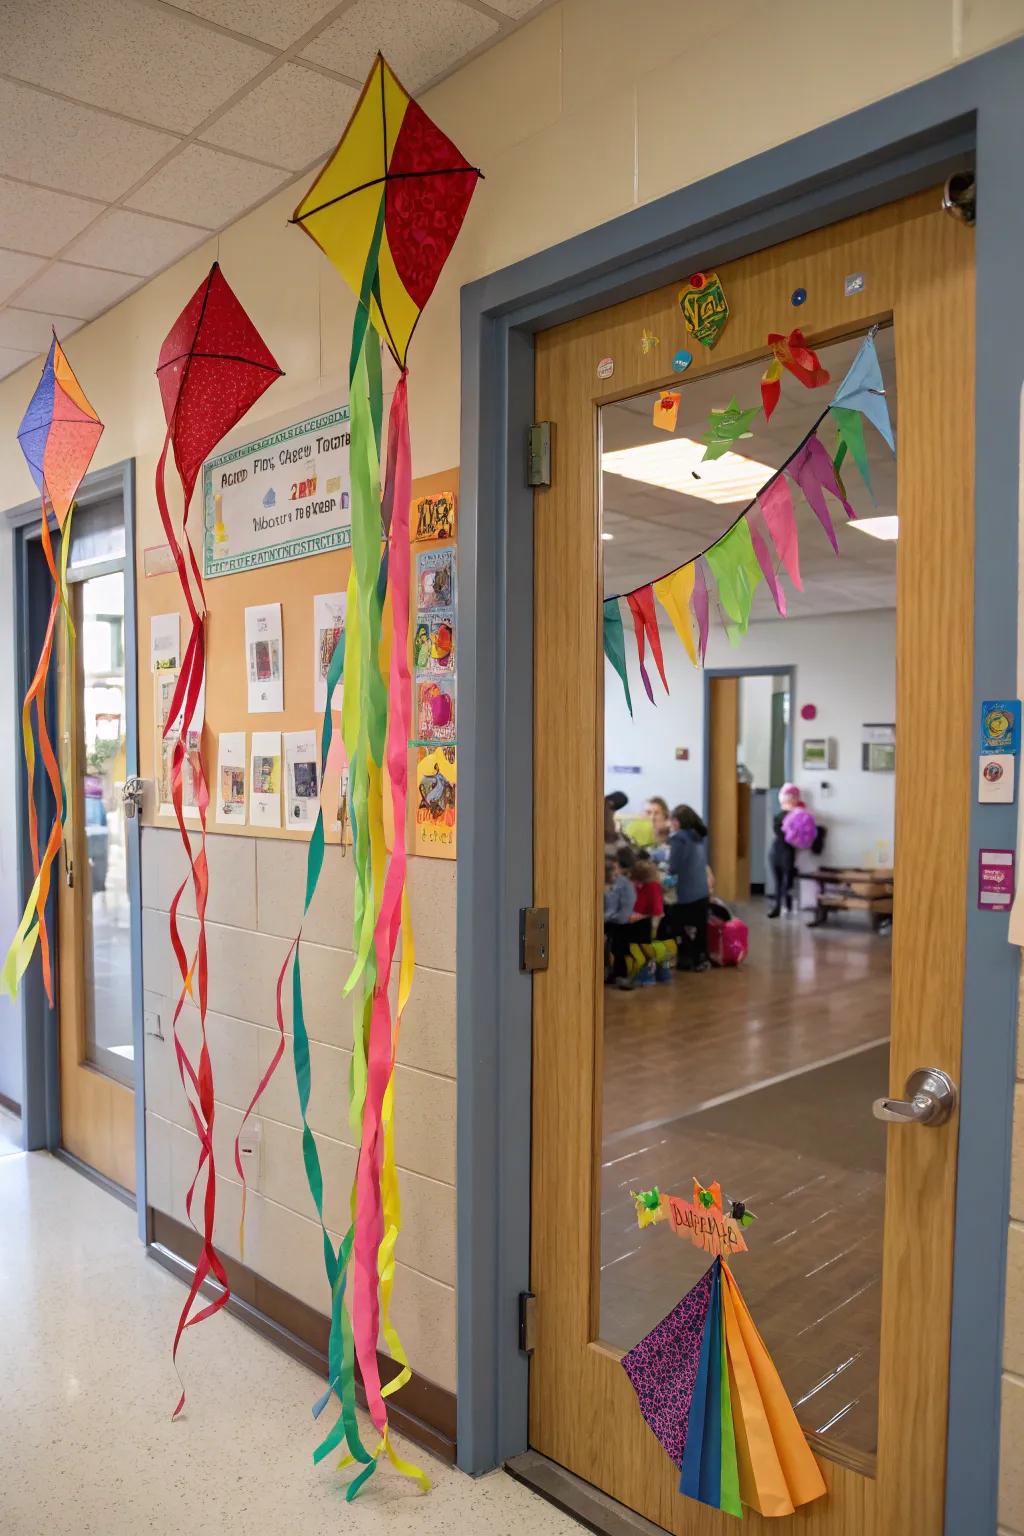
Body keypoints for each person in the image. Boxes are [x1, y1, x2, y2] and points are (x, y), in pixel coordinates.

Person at [667, 805, 711, 971]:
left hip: (687, 894)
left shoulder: (678, 838)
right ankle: (700, 958)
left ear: (677, 821)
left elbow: (673, 867)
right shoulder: (697, 836)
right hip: (702, 892)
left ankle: (685, 958)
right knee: (700, 929)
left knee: (675, 922)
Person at [768, 782, 804, 918]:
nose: (790, 800)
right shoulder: (778, 816)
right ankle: (777, 907)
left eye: (793, 797)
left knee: (787, 881)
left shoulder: (800, 816)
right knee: (778, 882)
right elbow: (778, 831)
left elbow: (801, 835)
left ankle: (786, 902)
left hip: (788, 852)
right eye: (787, 797)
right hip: (776, 851)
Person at [629, 854, 668, 984]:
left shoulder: (652, 887)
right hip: (646, 920)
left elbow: (656, 910)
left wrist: (640, 916)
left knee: (645, 947)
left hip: (653, 922)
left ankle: (647, 976)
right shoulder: (644, 886)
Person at [604, 852, 636, 983]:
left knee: (618, 948)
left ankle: (620, 974)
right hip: (609, 920)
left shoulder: (624, 884)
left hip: (619, 922)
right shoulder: (613, 882)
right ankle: (611, 972)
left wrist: (611, 917)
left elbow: (626, 906)